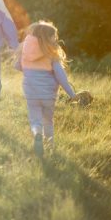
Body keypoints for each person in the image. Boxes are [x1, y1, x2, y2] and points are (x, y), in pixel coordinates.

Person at [15, 20, 76, 158]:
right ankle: (50, 146)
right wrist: (72, 94)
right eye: (54, 36)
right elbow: (61, 78)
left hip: (31, 92)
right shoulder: (51, 53)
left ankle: (37, 134)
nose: (55, 39)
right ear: (49, 38)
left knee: (35, 120)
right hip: (48, 94)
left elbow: (17, 65)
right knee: (48, 121)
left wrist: (29, 70)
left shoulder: (26, 49)